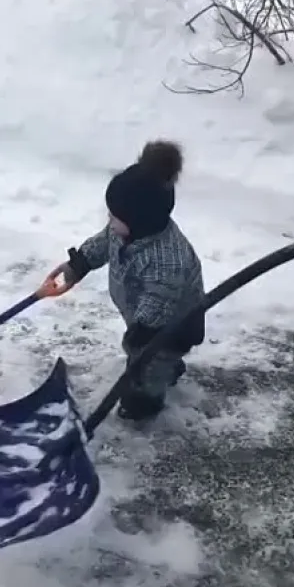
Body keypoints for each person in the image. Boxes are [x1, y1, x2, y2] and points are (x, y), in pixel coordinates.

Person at [49, 140, 205, 422]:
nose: (109, 220)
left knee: (151, 362)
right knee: (144, 355)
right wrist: (80, 262)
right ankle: (165, 368)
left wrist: (141, 333)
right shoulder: (124, 230)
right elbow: (102, 243)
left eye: (114, 216)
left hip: (170, 326)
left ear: (139, 220)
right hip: (139, 314)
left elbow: (160, 300)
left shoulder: (167, 259)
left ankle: (146, 401)